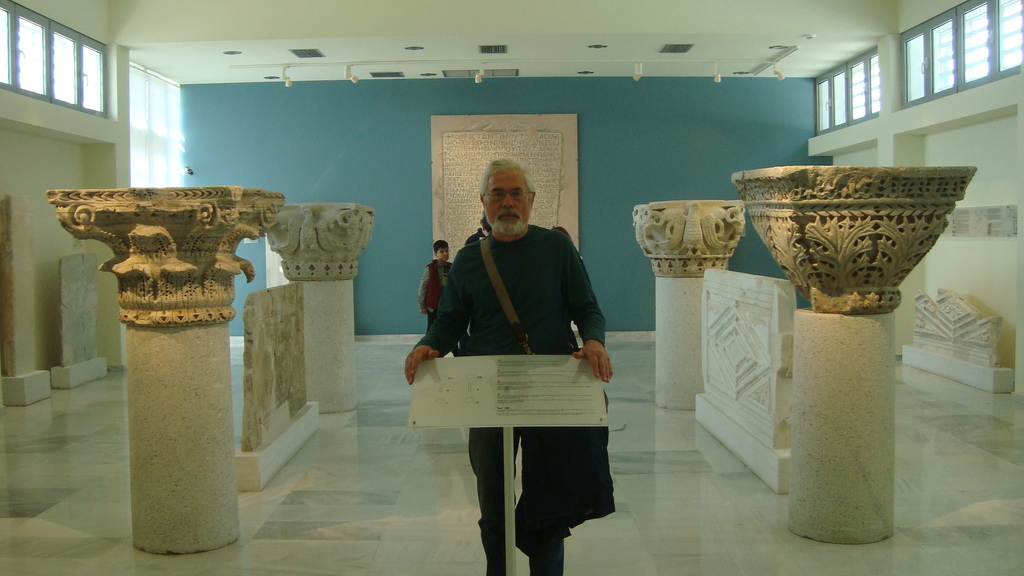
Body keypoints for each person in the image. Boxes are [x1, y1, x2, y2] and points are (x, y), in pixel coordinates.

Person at [405, 159, 614, 576]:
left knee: (549, 503)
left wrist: (593, 340)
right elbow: (450, 320)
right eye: (497, 194)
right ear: (483, 201)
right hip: (488, 392)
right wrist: (428, 344)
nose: (507, 202)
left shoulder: (557, 249)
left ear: (531, 199)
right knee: (494, 502)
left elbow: (587, 308)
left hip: (548, 386)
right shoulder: (468, 260)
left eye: (516, 193)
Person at [417, 239, 452, 333]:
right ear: (436, 254)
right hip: (434, 306)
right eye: (442, 251)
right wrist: (422, 306)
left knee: (450, 329)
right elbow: (423, 288)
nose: (445, 253)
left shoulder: (451, 267)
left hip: (448, 305)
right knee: (432, 329)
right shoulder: (431, 268)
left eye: (447, 250)